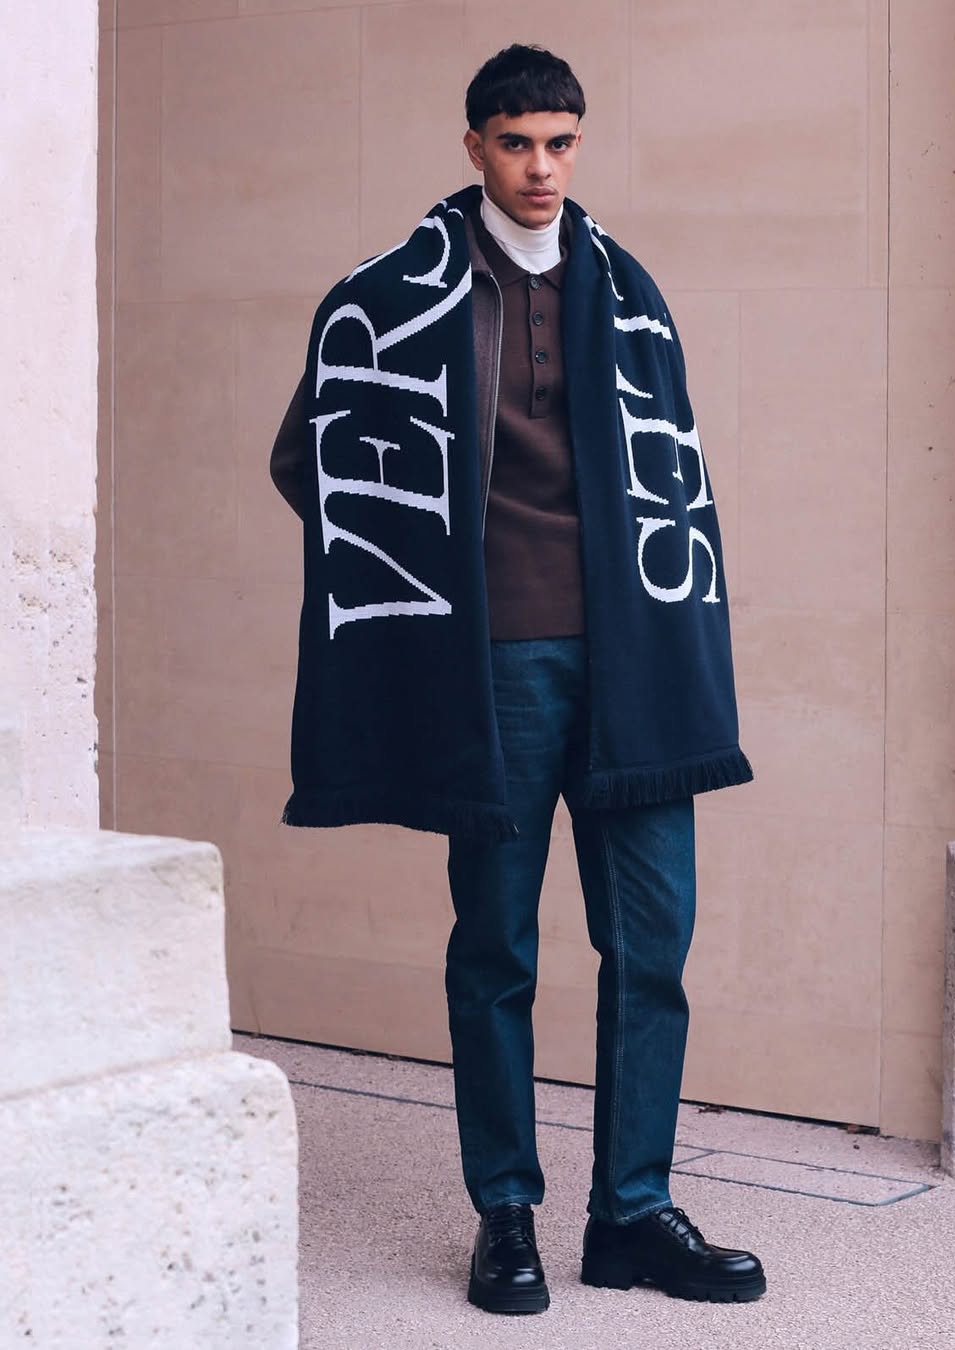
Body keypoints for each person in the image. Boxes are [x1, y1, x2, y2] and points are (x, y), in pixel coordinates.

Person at [270, 43, 766, 1315]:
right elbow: (312, 459)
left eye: (561, 143)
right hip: (493, 671)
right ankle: (506, 1212)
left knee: (651, 947)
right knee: (494, 949)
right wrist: (427, 578)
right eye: (516, 143)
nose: (541, 168)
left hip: (638, 665)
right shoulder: (398, 297)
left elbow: (677, 476)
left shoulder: (628, 290)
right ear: (475, 148)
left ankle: (633, 1212)